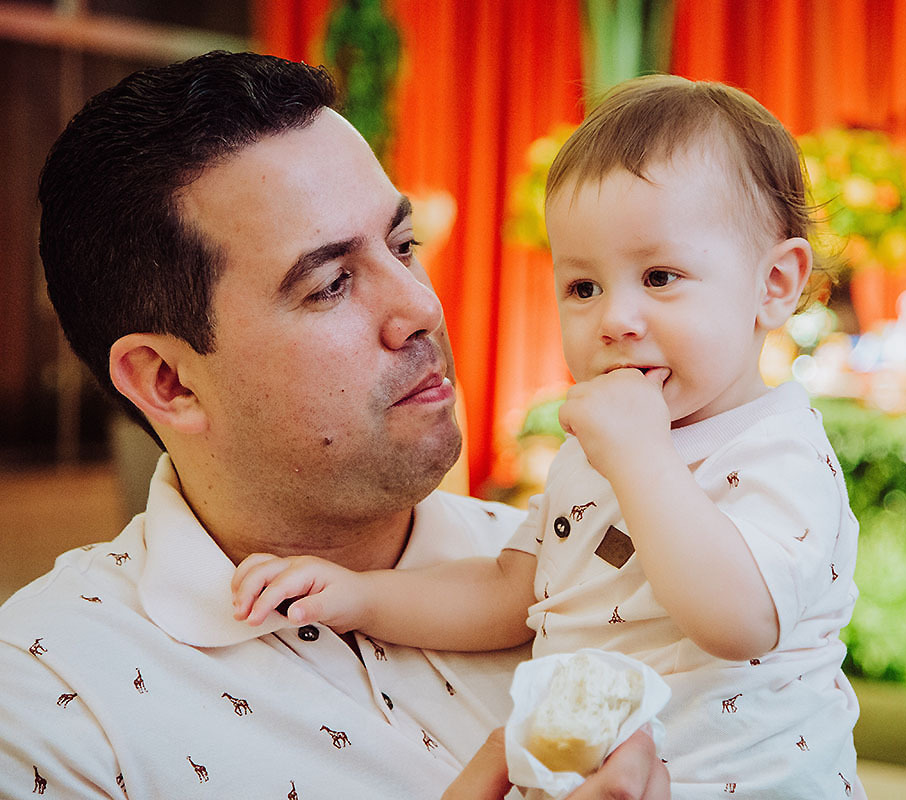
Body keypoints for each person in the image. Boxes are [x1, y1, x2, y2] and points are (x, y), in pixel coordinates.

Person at [0, 50, 666, 799]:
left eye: (404, 247)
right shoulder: (50, 703)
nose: (421, 308)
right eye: (331, 284)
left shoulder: (591, 572)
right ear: (170, 381)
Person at [234, 74, 866, 798]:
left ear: (775, 285)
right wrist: (361, 597)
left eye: (660, 276)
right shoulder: (600, 451)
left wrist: (640, 458)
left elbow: (742, 621)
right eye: (583, 288)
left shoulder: (778, 450)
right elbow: (513, 591)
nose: (615, 320)